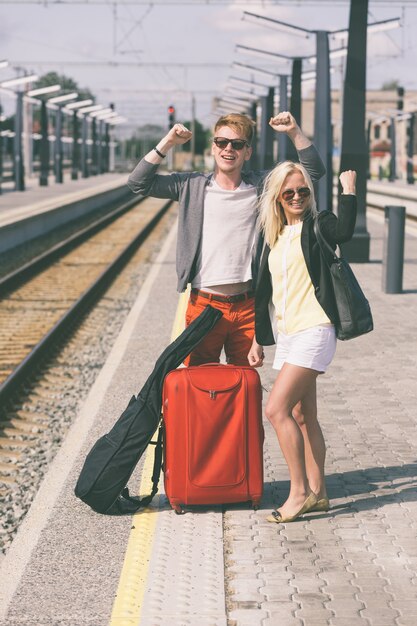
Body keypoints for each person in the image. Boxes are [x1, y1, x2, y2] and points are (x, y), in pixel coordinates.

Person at [127, 111, 325, 366]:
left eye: (237, 144)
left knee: (243, 383)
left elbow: (314, 172)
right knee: (199, 385)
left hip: (247, 307)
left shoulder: (262, 186)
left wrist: (294, 132)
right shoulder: (192, 185)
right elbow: (138, 183)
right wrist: (167, 143)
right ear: (213, 148)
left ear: (247, 152)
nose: (228, 149)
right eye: (221, 142)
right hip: (204, 305)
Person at [248, 163, 357, 523]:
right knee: (302, 415)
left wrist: (349, 191)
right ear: (278, 198)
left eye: (303, 191)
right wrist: (257, 338)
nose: (297, 198)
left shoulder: (317, 225)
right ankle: (320, 493)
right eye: (289, 193)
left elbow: (345, 231)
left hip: (317, 329)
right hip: (290, 334)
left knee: (276, 410)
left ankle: (298, 493)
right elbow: (263, 292)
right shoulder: (272, 236)